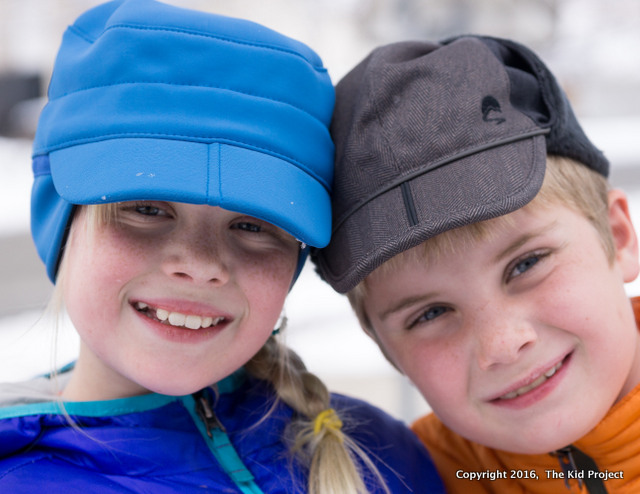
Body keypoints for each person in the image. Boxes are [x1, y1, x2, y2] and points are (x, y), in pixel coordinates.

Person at [0, 2, 446, 493]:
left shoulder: (382, 455)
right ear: (60, 223)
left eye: (253, 225)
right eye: (147, 209)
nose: (199, 264)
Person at [313, 34, 640, 493]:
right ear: (385, 347)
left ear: (620, 236)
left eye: (526, 264)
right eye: (430, 313)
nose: (502, 345)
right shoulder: (408, 477)